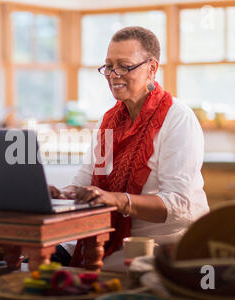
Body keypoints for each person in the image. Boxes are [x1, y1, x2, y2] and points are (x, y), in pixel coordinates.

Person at [49, 26, 209, 271]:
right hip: (108, 240)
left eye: (124, 66)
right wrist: (64, 193)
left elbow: (178, 205)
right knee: (35, 264)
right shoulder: (109, 121)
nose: (114, 74)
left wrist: (117, 201)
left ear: (152, 69)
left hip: (164, 247)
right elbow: (85, 180)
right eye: (109, 66)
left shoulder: (177, 119)